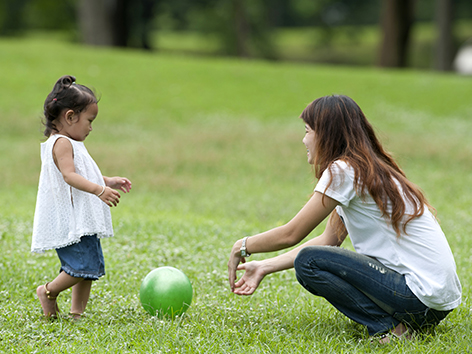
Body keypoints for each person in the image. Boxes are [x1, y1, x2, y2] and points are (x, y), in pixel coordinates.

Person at [228, 95, 461, 343]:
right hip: (436, 305)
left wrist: (242, 245)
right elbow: (330, 239)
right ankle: (401, 323)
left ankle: (390, 328)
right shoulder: (369, 169)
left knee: (308, 262)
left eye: (308, 131)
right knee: (310, 259)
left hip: (417, 296)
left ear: (326, 134)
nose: (303, 139)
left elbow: (291, 234)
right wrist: (265, 266)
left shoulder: (344, 170)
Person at [32, 75, 132, 320]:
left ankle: (77, 313)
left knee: (88, 269)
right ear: (69, 116)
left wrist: (106, 180)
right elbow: (69, 176)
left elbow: (83, 174)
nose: (91, 127)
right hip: (72, 222)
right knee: (81, 267)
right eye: (89, 120)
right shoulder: (62, 143)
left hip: (82, 221)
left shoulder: (72, 141)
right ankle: (47, 291)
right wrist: (99, 190)